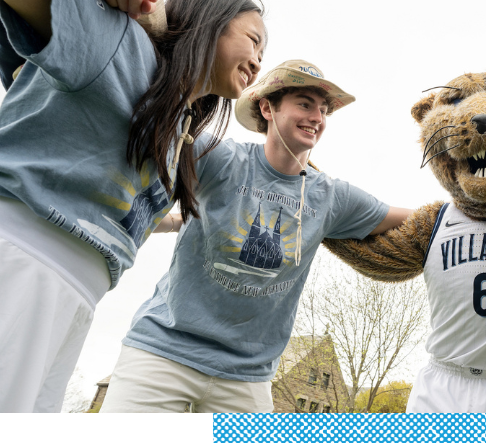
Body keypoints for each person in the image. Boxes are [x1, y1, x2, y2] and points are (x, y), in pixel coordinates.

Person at [0, 0, 266, 412]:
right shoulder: (115, 43)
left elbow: (123, 200)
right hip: (23, 259)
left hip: (79, 298)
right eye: (253, 41)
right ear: (209, 22)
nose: (257, 61)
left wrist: (180, 220)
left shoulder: (177, 125)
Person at [99, 60, 412, 413]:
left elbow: (414, 220)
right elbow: (143, 160)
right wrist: (171, 220)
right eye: (305, 104)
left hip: (246, 376)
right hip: (164, 352)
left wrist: (477, 208)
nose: (317, 117)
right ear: (267, 107)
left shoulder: (331, 198)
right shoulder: (220, 158)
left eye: (323, 110)